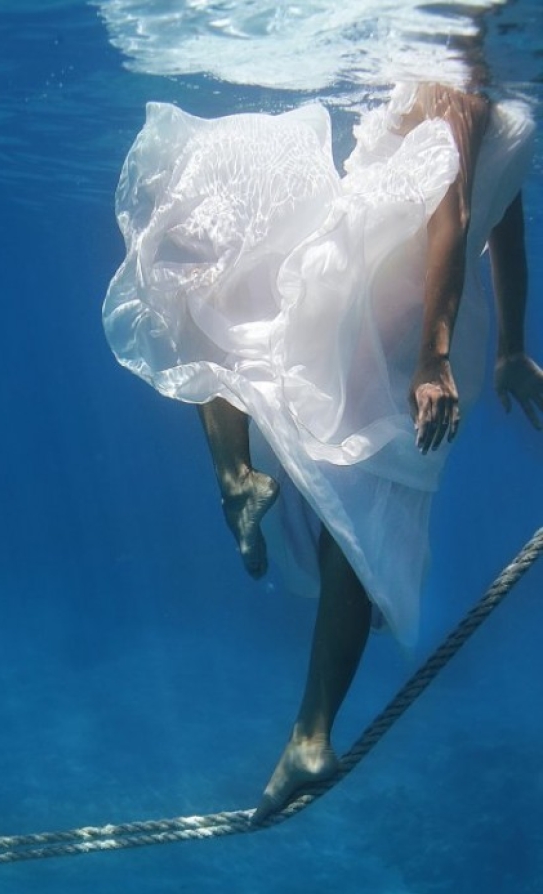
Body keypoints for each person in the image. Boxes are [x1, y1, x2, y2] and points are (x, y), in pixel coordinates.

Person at [103, 80, 542, 823]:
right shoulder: (457, 80)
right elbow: (464, 211)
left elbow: (490, 214)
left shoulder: (467, 83)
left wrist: (493, 351)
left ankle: (236, 479)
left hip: (410, 307)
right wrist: (458, 355)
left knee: (244, 321)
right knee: (357, 479)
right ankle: (310, 730)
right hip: (401, 303)